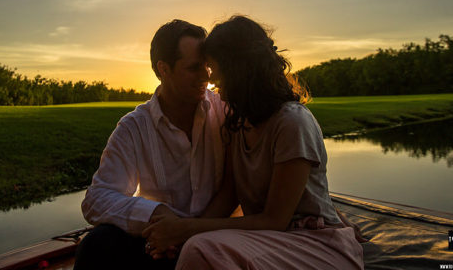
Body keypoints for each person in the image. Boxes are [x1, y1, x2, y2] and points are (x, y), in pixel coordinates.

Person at [143, 15, 364, 269]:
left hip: (317, 244)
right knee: (197, 245)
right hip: (268, 240)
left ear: (238, 70)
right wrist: (179, 235)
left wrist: (188, 230)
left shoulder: (292, 123)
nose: (211, 80)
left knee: (201, 250)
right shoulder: (237, 123)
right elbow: (229, 194)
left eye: (214, 69)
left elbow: (275, 220)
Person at [74, 20, 226, 270]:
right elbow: (96, 199)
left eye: (207, 66)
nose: (206, 77)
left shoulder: (224, 110)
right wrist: (156, 213)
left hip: (216, 237)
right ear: (164, 69)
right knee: (96, 245)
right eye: (194, 68)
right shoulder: (134, 127)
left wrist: (188, 231)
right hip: (163, 245)